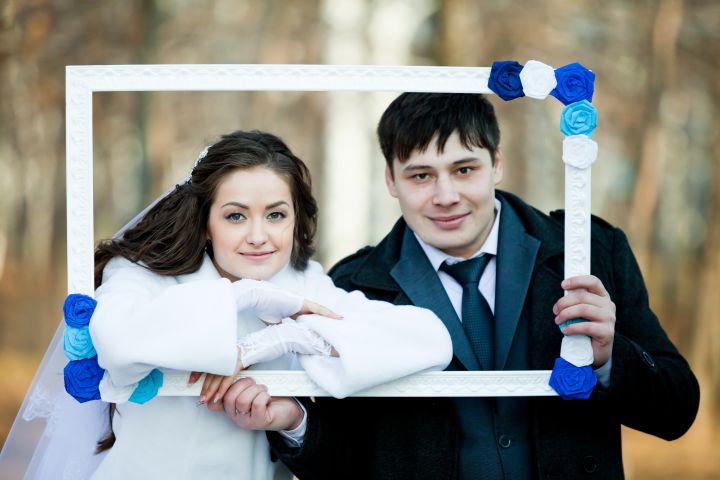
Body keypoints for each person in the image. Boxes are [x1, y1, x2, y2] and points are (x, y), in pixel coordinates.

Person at [265, 93, 700, 479]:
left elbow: (677, 411)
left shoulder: (590, 251)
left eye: (464, 169)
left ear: (497, 163)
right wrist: (295, 423)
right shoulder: (351, 287)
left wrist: (609, 357)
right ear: (391, 180)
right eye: (421, 176)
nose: (446, 195)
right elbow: (344, 461)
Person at [0, 130, 452, 480]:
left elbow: (429, 338)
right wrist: (246, 297)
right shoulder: (140, 275)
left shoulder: (303, 282)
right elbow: (117, 341)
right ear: (205, 222)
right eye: (236, 215)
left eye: (276, 215)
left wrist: (282, 338)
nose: (258, 236)